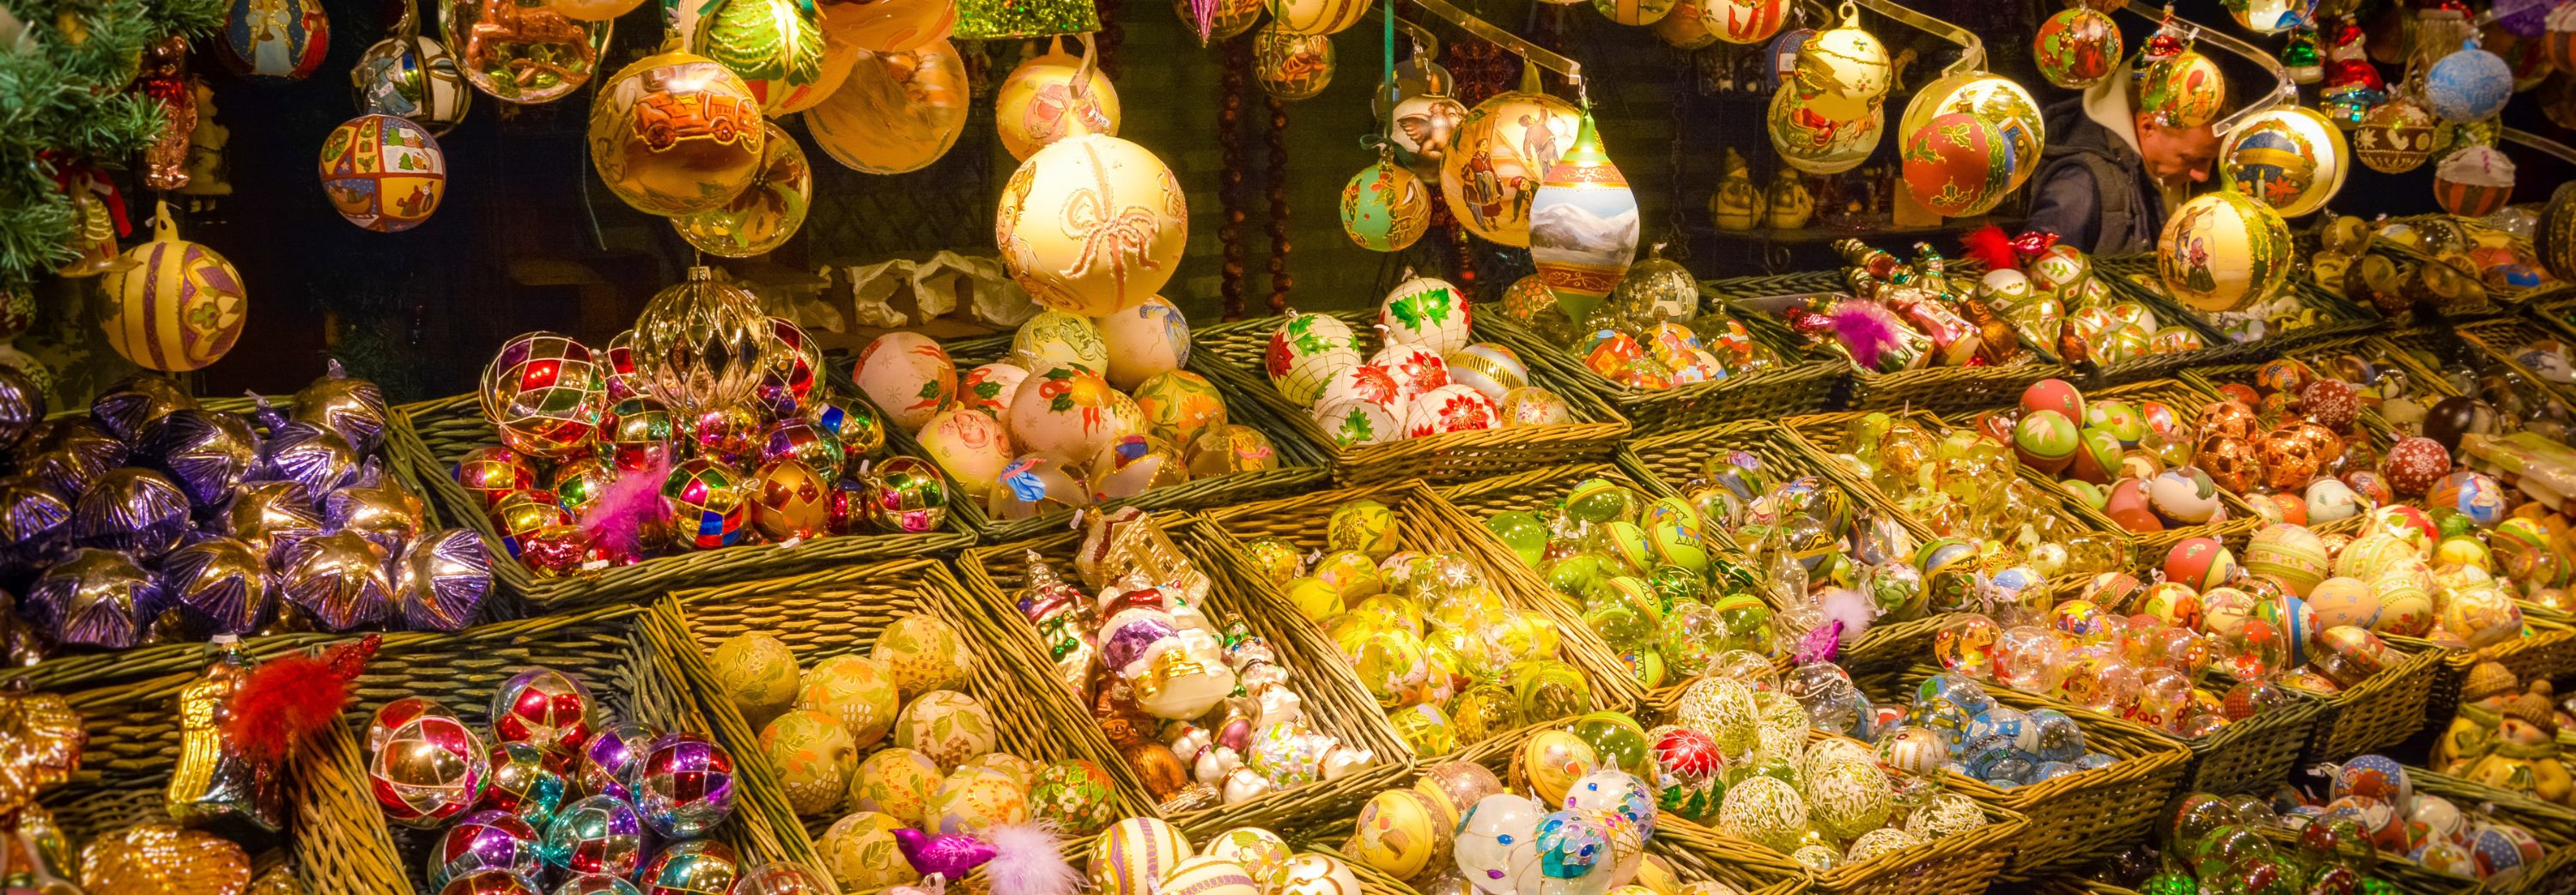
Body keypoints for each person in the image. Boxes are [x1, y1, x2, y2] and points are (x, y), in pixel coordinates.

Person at [2024, 64, 2220, 255]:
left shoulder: (2161, 175)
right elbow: (2040, 270)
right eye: (2191, 159)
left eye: (2211, 160)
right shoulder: (2081, 184)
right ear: (2148, 127)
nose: (2203, 176)